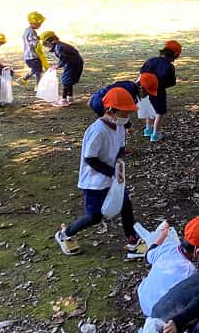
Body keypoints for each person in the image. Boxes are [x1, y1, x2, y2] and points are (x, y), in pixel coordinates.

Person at [55, 88, 144, 256]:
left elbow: (120, 147)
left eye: (128, 113)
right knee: (94, 217)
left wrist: (118, 161)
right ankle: (64, 235)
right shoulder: (98, 130)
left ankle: (132, 240)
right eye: (124, 113)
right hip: (94, 181)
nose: (127, 117)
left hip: (112, 177)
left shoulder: (119, 127)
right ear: (110, 111)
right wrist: (111, 171)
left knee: (126, 205)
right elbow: (90, 158)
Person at [137, 217, 199, 318]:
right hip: (157, 313)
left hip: (143, 299)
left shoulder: (168, 247)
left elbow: (148, 255)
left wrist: (162, 236)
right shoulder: (189, 271)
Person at [140, 41, 180, 142]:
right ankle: (155, 134)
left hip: (143, 90)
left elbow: (142, 72)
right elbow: (171, 82)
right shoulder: (169, 67)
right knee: (159, 112)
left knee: (149, 109)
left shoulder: (151, 60)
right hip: (158, 92)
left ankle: (148, 129)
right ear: (175, 55)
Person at [89, 73, 159, 123]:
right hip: (98, 103)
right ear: (141, 88)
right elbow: (120, 112)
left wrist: (126, 125)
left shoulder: (133, 91)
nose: (147, 96)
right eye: (148, 93)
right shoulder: (127, 92)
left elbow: (123, 113)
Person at [40, 31, 84, 107]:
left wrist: (57, 66)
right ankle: (70, 97)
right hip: (74, 63)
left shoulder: (59, 47)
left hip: (73, 65)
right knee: (68, 81)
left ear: (50, 41)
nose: (47, 46)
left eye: (46, 44)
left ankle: (64, 100)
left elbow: (64, 59)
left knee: (65, 81)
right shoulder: (59, 45)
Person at [19, 11, 47, 86]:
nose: (40, 26)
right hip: (32, 55)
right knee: (37, 70)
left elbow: (29, 40)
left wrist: (37, 38)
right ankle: (25, 79)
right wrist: (40, 42)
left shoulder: (27, 30)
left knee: (37, 70)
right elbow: (34, 44)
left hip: (28, 56)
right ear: (34, 23)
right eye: (39, 24)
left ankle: (37, 84)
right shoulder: (32, 32)